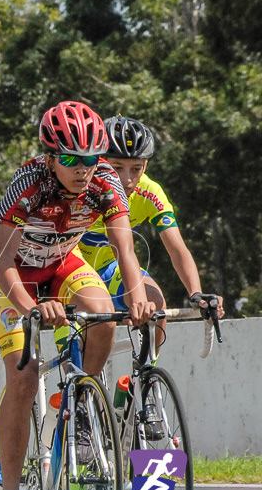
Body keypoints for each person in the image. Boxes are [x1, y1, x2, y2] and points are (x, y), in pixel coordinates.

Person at [0, 102, 155, 490]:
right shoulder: (29, 183)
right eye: (72, 160)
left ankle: (83, 403)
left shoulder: (105, 180)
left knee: (103, 316)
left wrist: (136, 297)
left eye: (92, 158)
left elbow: (125, 249)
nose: (83, 169)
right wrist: (28, 307)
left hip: (62, 262)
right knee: (22, 378)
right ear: (51, 156)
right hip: (15, 272)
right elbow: (1, 262)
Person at [78, 116, 224, 352]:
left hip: (111, 268)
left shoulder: (150, 192)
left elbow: (177, 248)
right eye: (116, 168)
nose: (126, 179)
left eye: (136, 169)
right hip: (75, 270)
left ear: (144, 167)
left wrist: (196, 293)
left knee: (154, 305)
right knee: (81, 357)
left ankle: (143, 380)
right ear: (99, 163)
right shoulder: (80, 189)